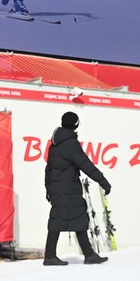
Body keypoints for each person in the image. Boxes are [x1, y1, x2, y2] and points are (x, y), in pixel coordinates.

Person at [44, 111, 111, 266]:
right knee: (64, 220)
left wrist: (48, 189)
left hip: (58, 189)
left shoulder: (54, 144)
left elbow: (48, 169)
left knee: (74, 219)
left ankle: (88, 254)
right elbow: (86, 165)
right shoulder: (70, 144)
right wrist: (103, 182)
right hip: (68, 189)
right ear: (75, 124)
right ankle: (50, 256)